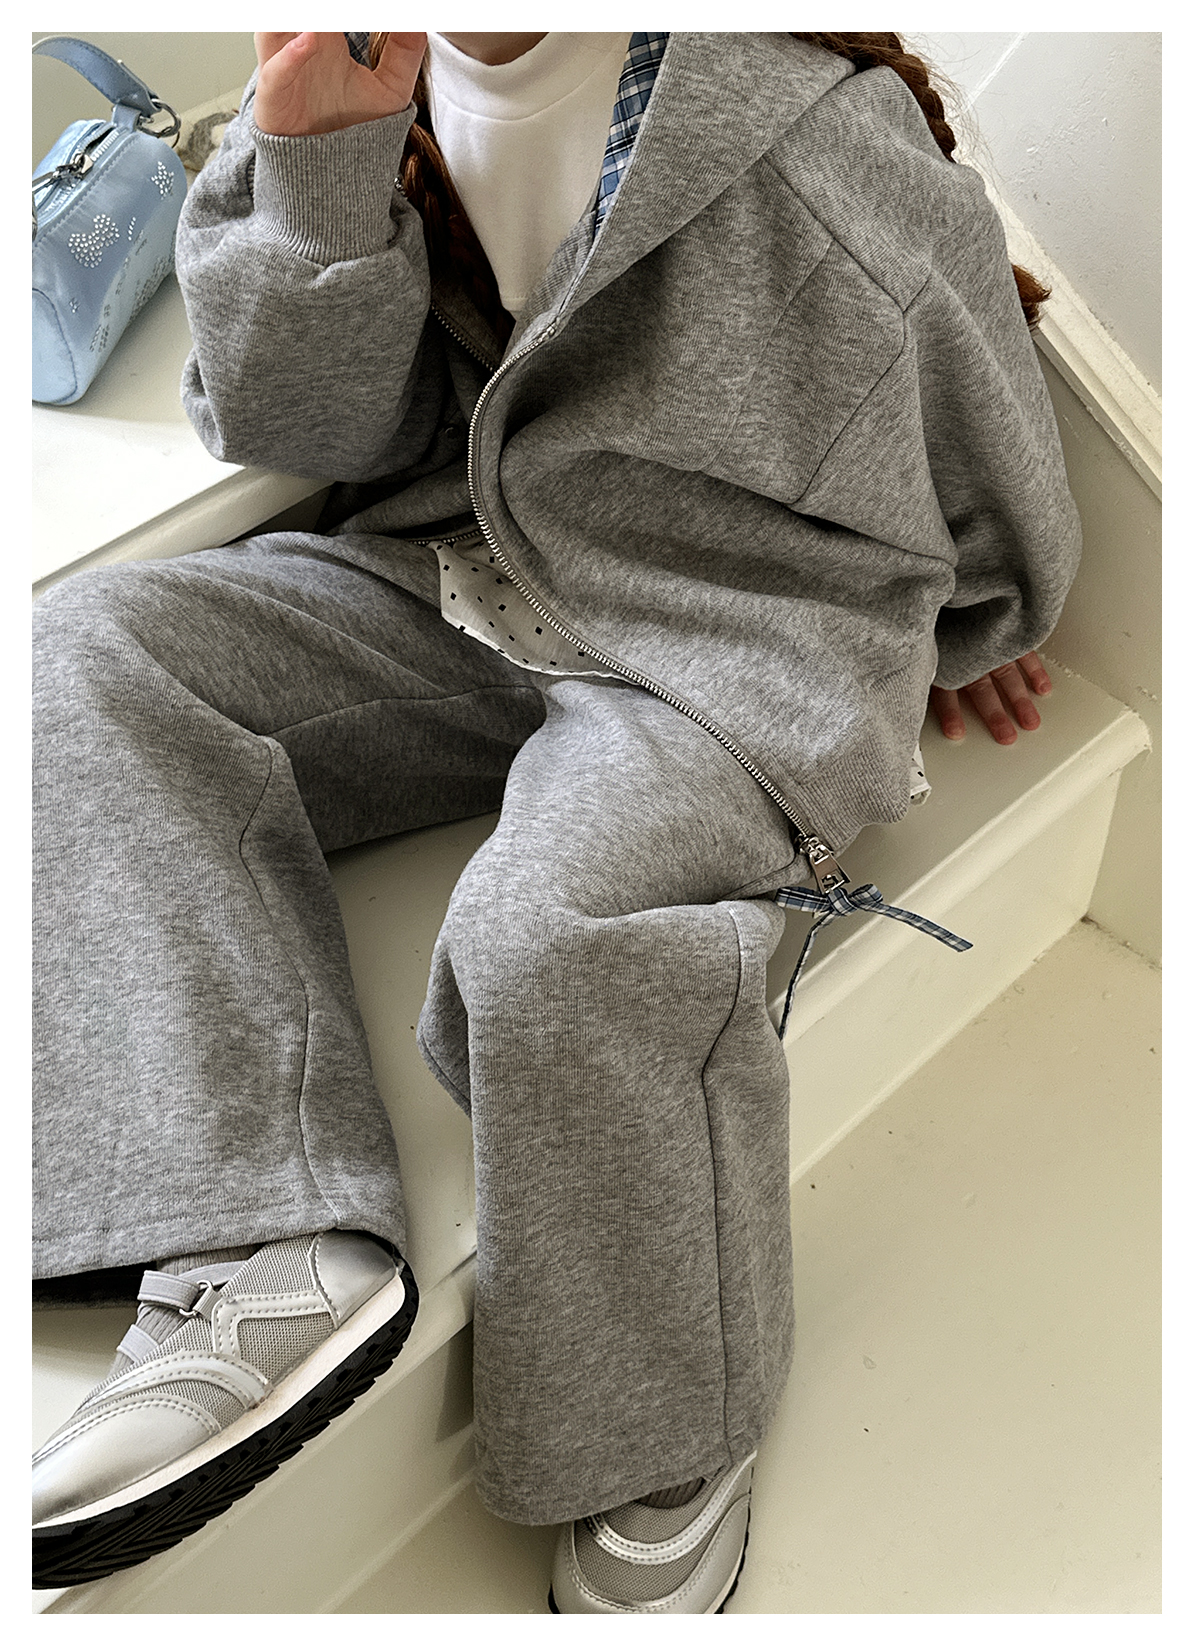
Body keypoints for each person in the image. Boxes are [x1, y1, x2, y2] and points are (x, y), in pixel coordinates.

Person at [32, 30, 1080, 1612]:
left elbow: (994, 446)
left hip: (734, 642)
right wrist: (315, 167)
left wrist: (958, 622)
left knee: (552, 936)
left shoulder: (809, 127)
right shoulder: (348, 87)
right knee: (82, 656)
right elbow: (295, 431)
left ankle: (661, 1427)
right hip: (463, 569)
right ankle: (264, 1243)